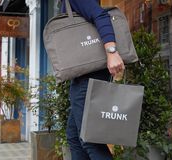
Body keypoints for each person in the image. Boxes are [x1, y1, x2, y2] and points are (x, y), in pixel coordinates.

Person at [61, 0, 125, 159]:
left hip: (89, 75)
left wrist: (112, 52)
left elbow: (100, 15)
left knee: (89, 140)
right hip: (83, 75)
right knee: (74, 136)